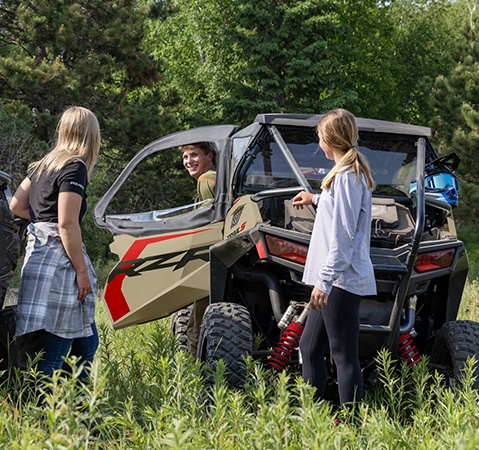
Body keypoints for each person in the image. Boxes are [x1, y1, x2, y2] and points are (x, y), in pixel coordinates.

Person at [292, 108, 376, 407]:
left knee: (342, 354)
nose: (318, 142)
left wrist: (324, 282)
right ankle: (312, 417)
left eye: (319, 136)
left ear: (329, 138)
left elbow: (344, 236)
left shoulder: (348, 176)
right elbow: (339, 210)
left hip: (338, 280)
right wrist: (314, 198)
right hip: (334, 279)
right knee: (310, 347)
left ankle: (352, 424)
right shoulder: (344, 174)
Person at [10, 106, 101, 380]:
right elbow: (66, 223)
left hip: (37, 259)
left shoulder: (42, 165)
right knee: (54, 352)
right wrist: (82, 273)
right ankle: (46, 416)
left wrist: (41, 221)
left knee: (87, 343)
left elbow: (15, 205)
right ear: (89, 135)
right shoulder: (74, 166)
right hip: (60, 265)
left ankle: (81, 411)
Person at [179, 142, 216, 356]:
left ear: (209, 155)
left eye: (194, 155)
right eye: (185, 157)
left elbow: (208, 223)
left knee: (197, 324)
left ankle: (195, 373)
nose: (188, 161)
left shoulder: (206, 180)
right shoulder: (214, 177)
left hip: (207, 261)